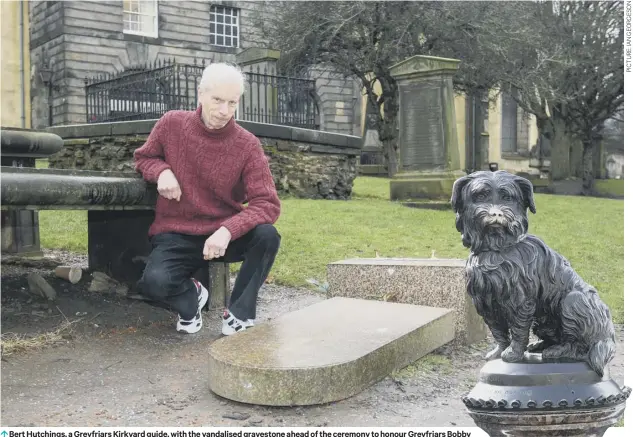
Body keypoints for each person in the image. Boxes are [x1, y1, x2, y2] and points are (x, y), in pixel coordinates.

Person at [133, 62, 281, 336]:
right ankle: (192, 301)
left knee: (267, 235)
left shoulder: (247, 145)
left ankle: (239, 314)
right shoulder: (171, 124)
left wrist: (228, 230)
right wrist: (162, 171)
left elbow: (267, 204)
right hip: (177, 231)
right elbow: (144, 157)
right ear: (200, 94)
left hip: (224, 234)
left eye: (232, 103)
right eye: (217, 100)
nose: (224, 111)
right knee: (153, 284)